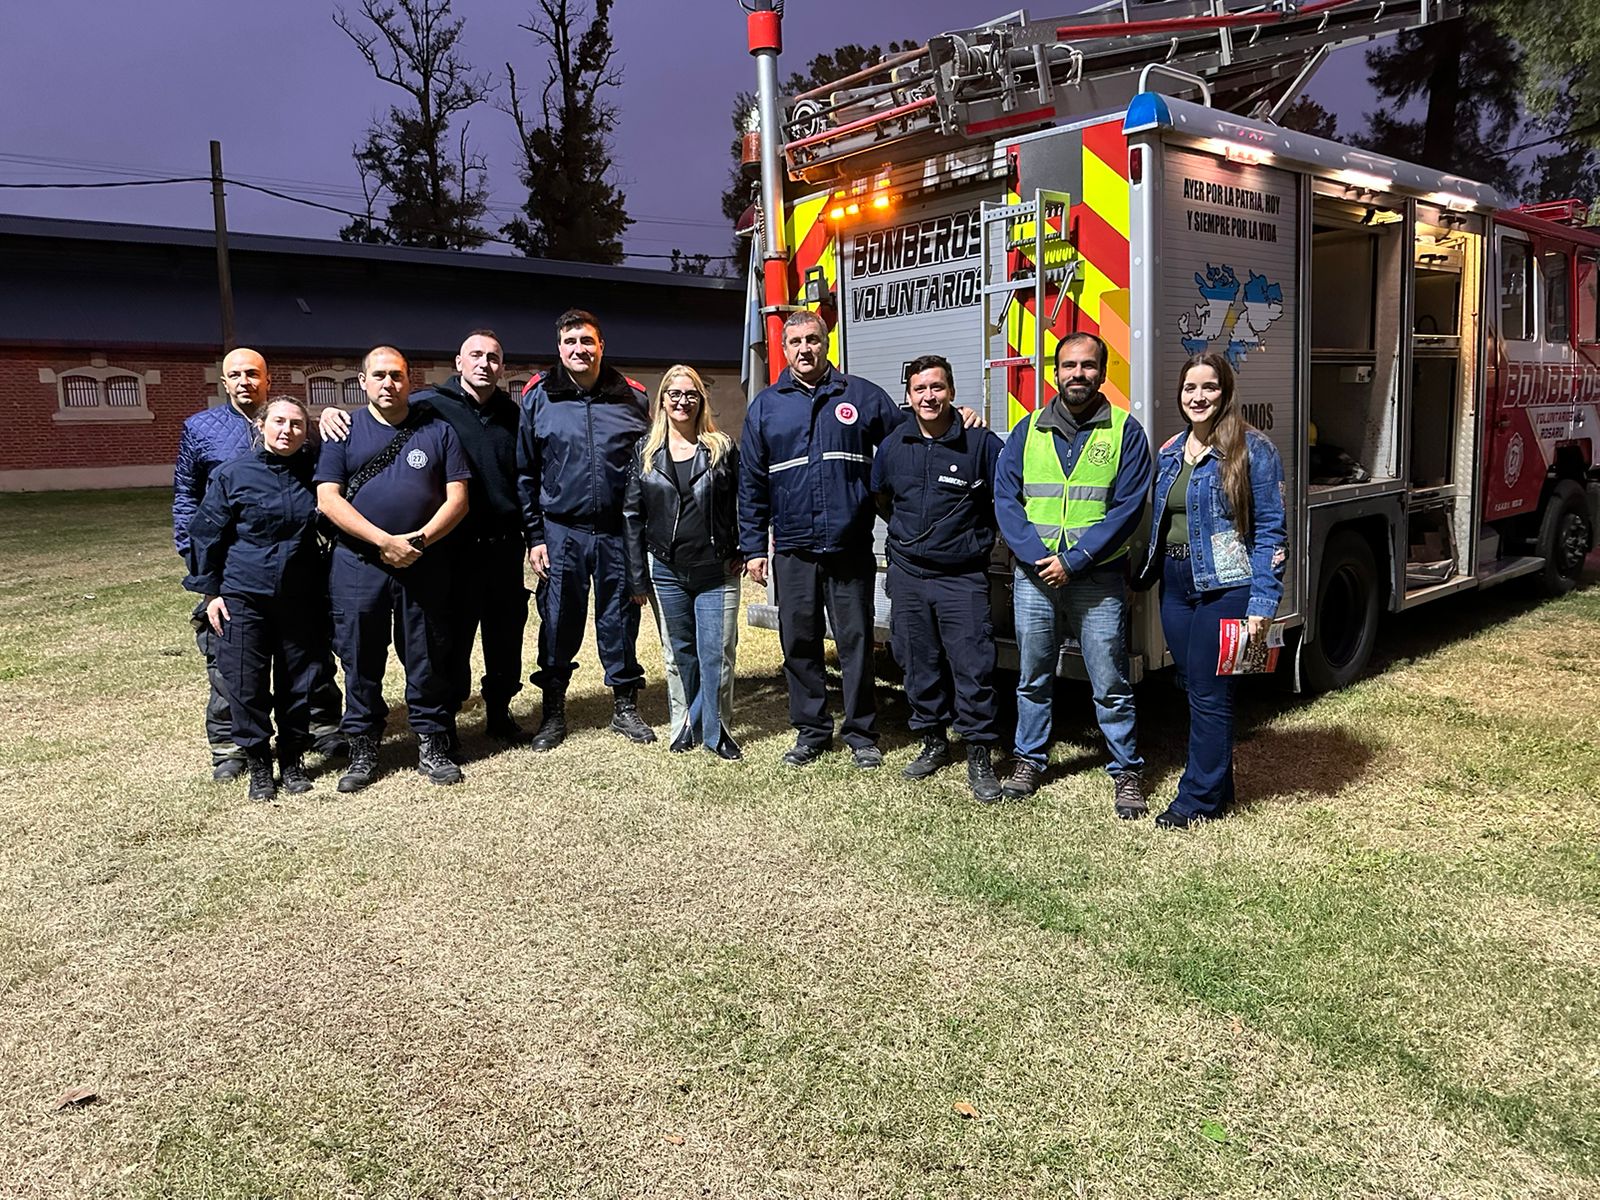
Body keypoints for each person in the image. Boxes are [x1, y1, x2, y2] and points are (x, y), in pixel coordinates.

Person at [740, 310, 986, 768]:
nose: (804, 349)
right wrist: (754, 547)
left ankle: (860, 734)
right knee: (800, 643)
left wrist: (958, 415)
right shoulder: (766, 406)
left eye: (812, 339)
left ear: (826, 341)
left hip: (850, 544)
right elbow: (751, 482)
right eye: (794, 342)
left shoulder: (862, 396)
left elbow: (913, 443)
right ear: (784, 348)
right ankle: (811, 731)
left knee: (855, 643)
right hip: (793, 547)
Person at [322, 330, 530, 745]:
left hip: (503, 544)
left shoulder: (516, 413)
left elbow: (527, 475)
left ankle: (499, 713)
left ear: (502, 367)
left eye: (493, 357)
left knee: (505, 636)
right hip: (451, 547)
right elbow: (381, 413)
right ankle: (443, 722)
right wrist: (331, 412)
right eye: (475, 355)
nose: (484, 363)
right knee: (445, 642)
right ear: (458, 362)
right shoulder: (429, 406)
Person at [994, 332, 1154, 814]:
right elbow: (1007, 499)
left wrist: (1075, 560)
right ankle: (1029, 760)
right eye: (1068, 366)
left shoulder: (1125, 431)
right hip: (1035, 576)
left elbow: (1126, 509)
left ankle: (1126, 771)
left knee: (1109, 681)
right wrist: (1038, 557)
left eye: (1087, 366)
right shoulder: (1027, 430)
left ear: (1103, 373)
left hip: (1097, 578)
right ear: (1055, 372)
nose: (1077, 374)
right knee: (1032, 676)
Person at [174, 347, 343, 779]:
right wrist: (207, 585)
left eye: (254, 373)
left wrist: (332, 417)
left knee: (301, 673)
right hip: (241, 588)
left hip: (299, 590)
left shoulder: (313, 466)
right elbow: (196, 514)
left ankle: (297, 751)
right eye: (236, 374)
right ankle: (244, 755)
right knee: (239, 678)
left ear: (268, 379)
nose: (245, 380)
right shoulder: (218, 454)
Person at [1138, 352, 1287, 829]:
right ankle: (1221, 790)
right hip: (1176, 585)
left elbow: (1270, 532)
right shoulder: (1169, 452)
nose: (1197, 397)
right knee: (1197, 687)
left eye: (1209, 388)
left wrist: (1263, 602)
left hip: (1228, 587)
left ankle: (1196, 800)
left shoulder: (1252, 450)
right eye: (1189, 389)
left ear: (1225, 393)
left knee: (1207, 692)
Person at [316, 346, 471, 792]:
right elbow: (328, 499)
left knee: (427, 655)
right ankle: (363, 747)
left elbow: (457, 499)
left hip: (423, 561)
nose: (389, 384)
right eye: (379, 376)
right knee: (360, 656)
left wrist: (416, 542)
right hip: (359, 562)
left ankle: (431, 741)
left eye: (397, 376)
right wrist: (383, 541)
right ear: (362, 381)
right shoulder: (342, 431)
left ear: (410, 380)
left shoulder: (439, 431)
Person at [516, 309, 655, 751]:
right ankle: (554, 712)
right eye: (571, 341)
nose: (580, 349)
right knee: (557, 620)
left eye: (587, 341)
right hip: (562, 530)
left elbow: (649, 468)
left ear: (601, 346)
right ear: (559, 348)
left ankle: (625, 706)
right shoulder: (539, 397)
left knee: (620, 617)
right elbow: (525, 472)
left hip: (618, 530)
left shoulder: (632, 397)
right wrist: (535, 537)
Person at [871, 354, 1005, 801]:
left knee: (972, 667)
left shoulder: (981, 444)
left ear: (951, 390)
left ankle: (979, 754)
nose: (929, 396)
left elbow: (1002, 501)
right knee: (916, 661)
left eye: (937, 387)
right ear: (908, 397)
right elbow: (882, 498)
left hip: (961, 577)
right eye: (919, 389)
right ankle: (931, 741)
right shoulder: (893, 445)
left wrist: (972, 541)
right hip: (908, 574)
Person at [623, 366, 744, 760]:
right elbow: (631, 517)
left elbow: (741, 504)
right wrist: (638, 578)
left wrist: (742, 548)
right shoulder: (645, 452)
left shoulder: (721, 448)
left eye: (690, 394)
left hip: (716, 570)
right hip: (666, 571)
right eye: (674, 394)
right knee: (679, 654)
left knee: (718, 653)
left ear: (701, 401)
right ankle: (684, 728)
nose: (682, 401)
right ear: (662, 401)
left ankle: (718, 731)